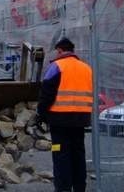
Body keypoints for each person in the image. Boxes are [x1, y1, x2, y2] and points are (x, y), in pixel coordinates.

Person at [36, 37, 93, 192]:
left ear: (60, 50)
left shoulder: (56, 67)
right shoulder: (86, 68)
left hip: (60, 121)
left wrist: (40, 114)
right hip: (81, 120)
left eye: (57, 52)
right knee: (78, 155)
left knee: (60, 154)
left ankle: (63, 188)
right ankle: (80, 187)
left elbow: (47, 93)